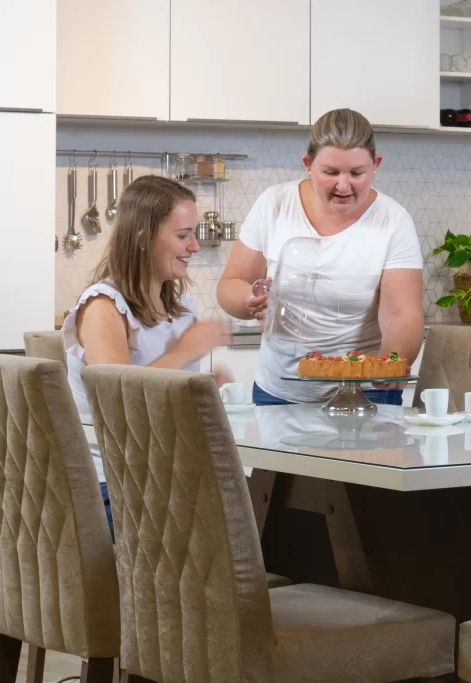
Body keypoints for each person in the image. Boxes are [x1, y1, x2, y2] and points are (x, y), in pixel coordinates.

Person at [62, 175, 232, 539]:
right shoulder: (104, 306)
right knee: (229, 534)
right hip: (114, 486)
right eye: (183, 235)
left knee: (243, 518)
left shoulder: (178, 306)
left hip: (161, 473)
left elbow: (166, 395)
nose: (195, 246)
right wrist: (186, 351)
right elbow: (117, 401)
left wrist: (202, 388)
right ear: (143, 239)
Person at [217, 108, 424, 406]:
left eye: (357, 173)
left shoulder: (393, 221)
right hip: (280, 391)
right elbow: (230, 285)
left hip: (366, 392)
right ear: (308, 164)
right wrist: (250, 299)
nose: (343, 185)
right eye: (330, 173)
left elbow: (401, 314)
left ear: (376, 165)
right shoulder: (274, 204)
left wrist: (393, 361)